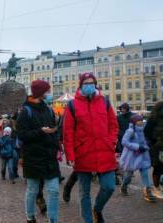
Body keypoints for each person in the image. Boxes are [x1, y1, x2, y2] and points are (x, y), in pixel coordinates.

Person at [63, 72, 118, 223]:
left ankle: (97, 209)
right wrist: (70, 155)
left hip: (104, 151)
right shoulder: (72, 105)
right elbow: (68, 132)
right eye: (86, 83)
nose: (89, 85)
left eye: (91, 82)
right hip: (83, 153)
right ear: (81, 85)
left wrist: (111, 141)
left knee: (109, 186)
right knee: (84, 193)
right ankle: (87, 220)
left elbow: (113, 125)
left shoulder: (105, 101)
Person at [17, 80, 60, 223]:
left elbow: (54, 129)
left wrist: (56, 141)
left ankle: (52, 219)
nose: (49, 93)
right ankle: (30, 216)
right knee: (33, 189)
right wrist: (40, 132)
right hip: (33, 157)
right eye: (47, 91)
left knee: (53, 190)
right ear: (40, 93)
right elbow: (22, 135)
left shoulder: (48, 109)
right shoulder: (25, 111)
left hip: (49, 156)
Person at [119, 115, 156, 202]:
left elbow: (144, 141)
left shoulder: (142, 130)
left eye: (141, 121)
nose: (141, 122)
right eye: (139, 121)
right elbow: (124, 142)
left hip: (142, 155)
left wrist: (146, 145)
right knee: (128, 175)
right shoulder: (130, 131)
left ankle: (147, 192)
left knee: (145, 173)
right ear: (134, 122)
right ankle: (124, 186)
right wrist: (137, 147)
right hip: (131, 157)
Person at [144, 100, 163, 199]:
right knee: (158, 167)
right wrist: (155, 141)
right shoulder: (153, 118)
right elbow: (146, 132)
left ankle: (158, 186)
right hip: (157, 147)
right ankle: (156, 188)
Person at [115, 103, 135, 184]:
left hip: (131, 140)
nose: (122, 110)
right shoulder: (118, 117)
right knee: (123, 158)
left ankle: (128, 173)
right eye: (121, 108)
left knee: (131, 158)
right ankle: (124, 175)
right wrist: (119, 134)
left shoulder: (133, 116)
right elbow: (116, 127)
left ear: (127, 108)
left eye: (123, 108)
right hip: (121, 140)